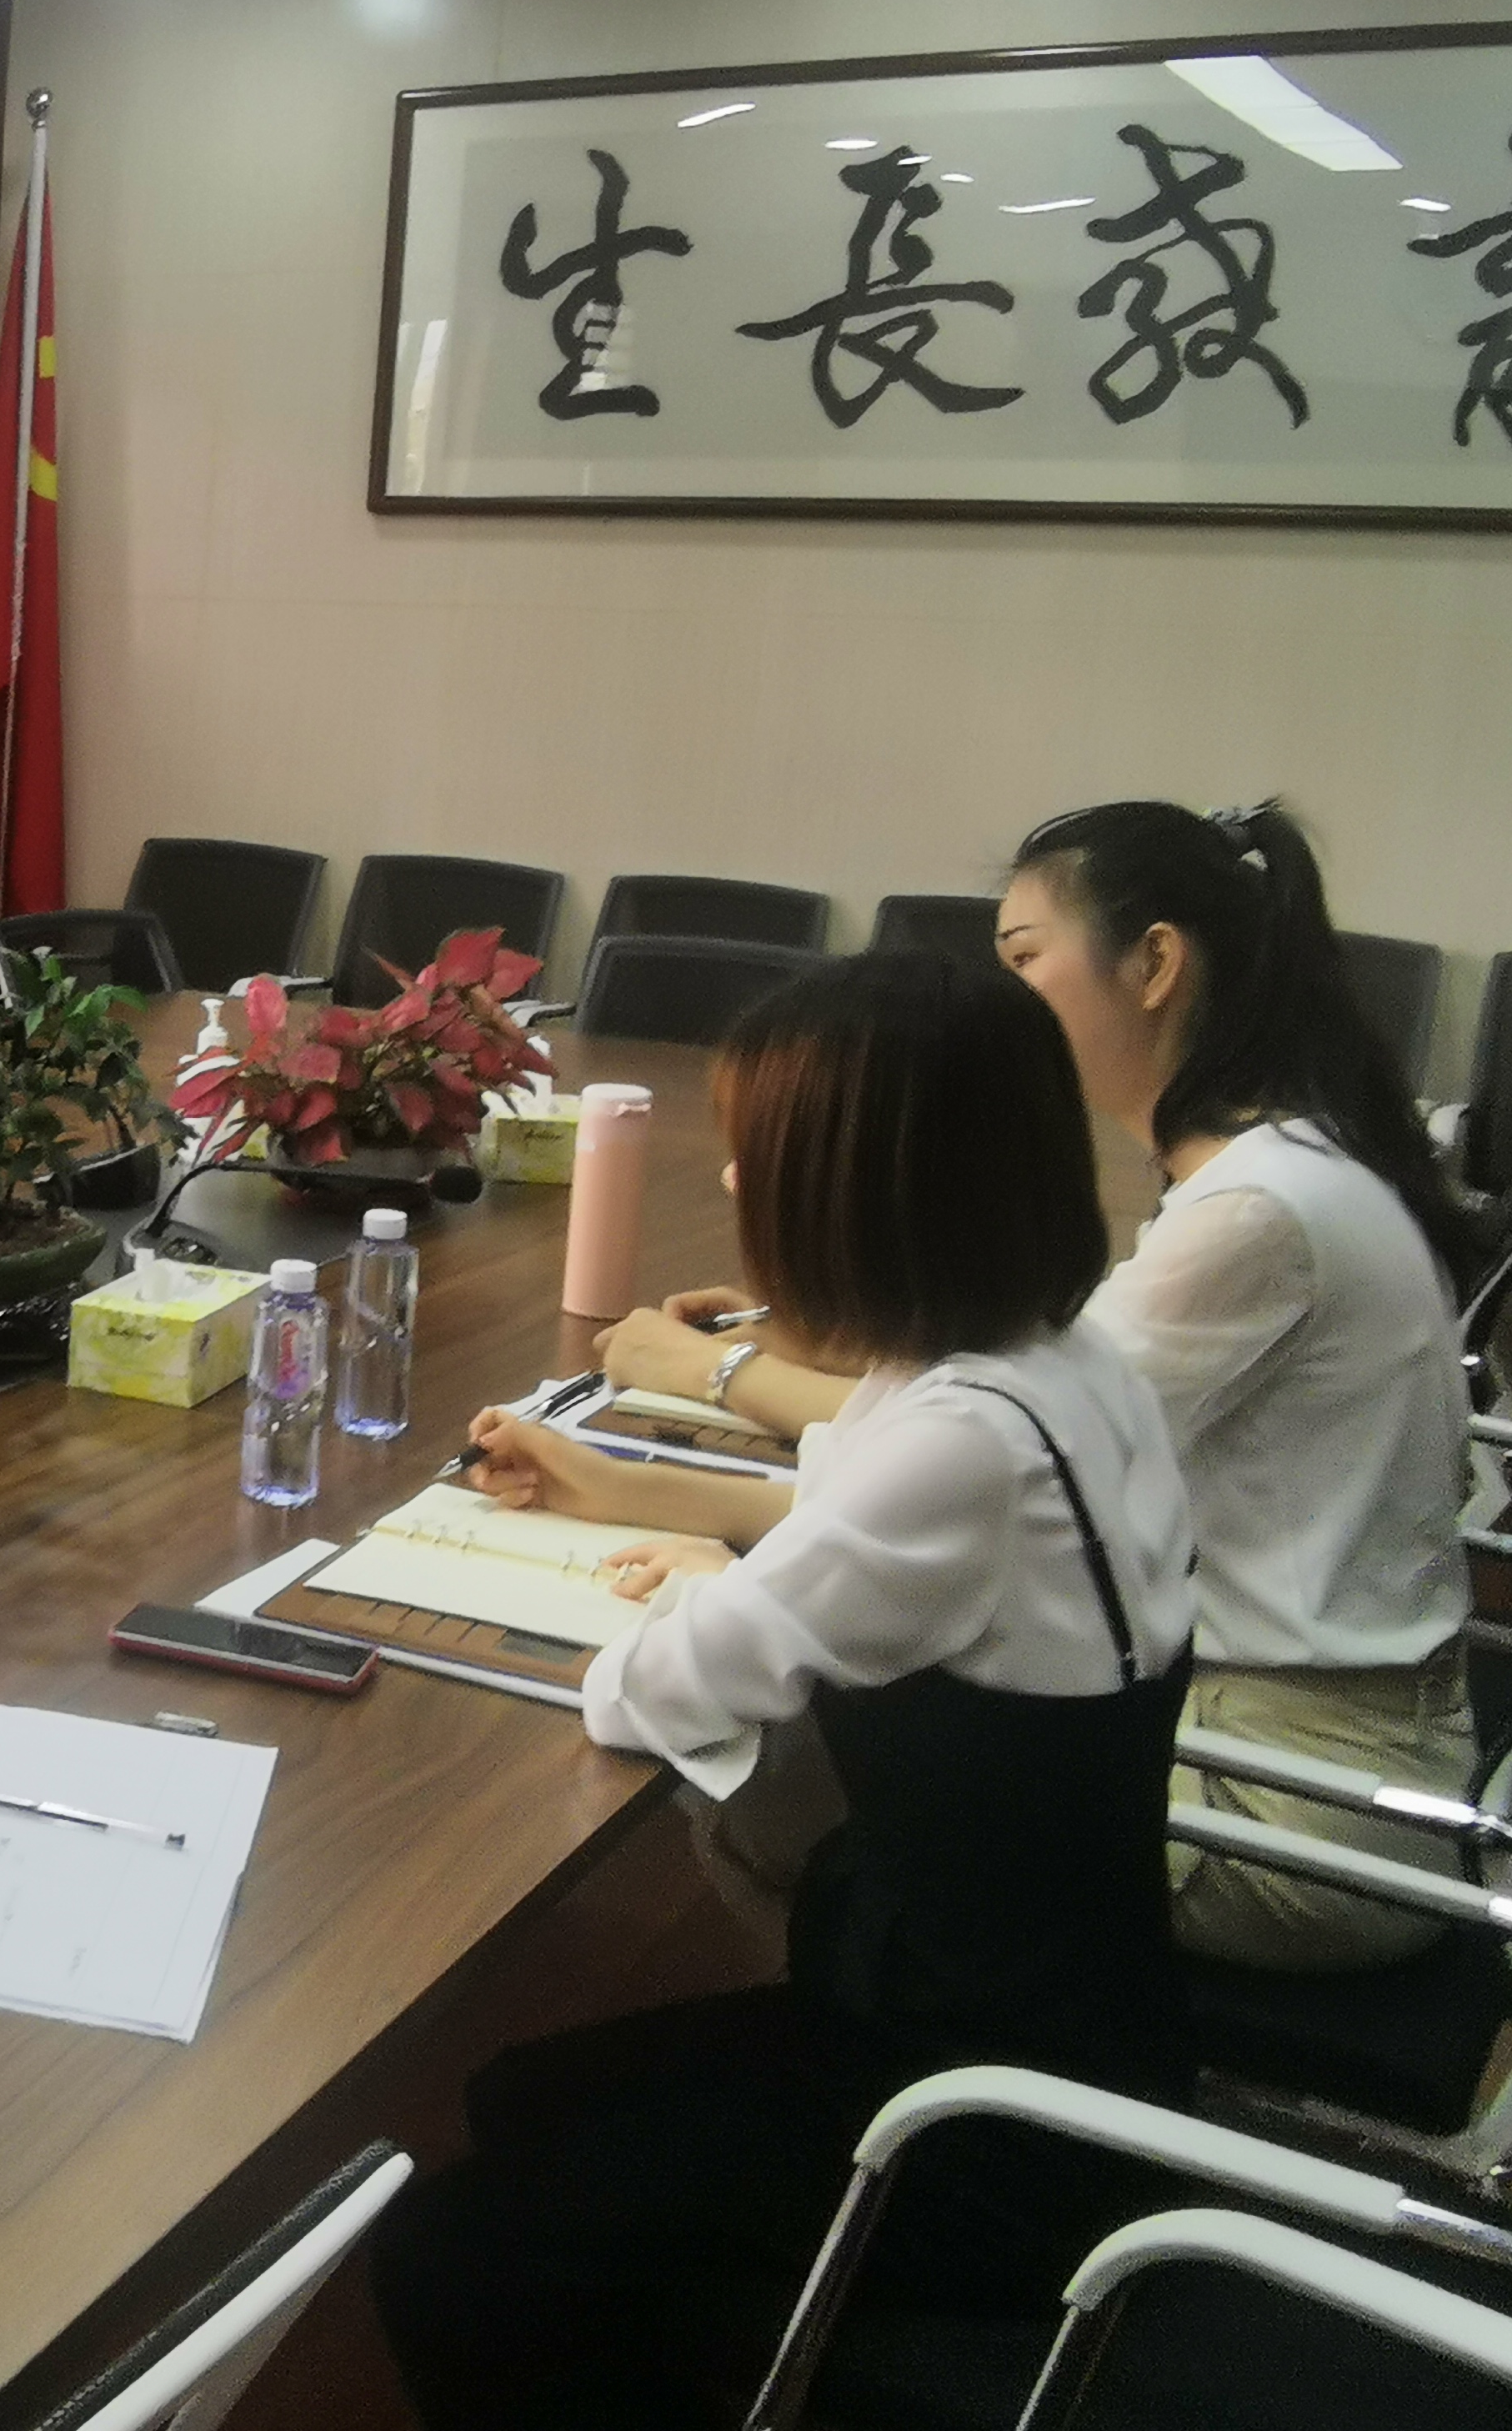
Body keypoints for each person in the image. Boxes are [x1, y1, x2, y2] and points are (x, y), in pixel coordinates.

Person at [373, 955, 1196, 2431]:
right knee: (515, 2100)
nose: (737, 1177)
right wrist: (632, 1492)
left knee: (451, 2249)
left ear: (865, 1191)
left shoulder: (964, 1442)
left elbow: (646, 1691)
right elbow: (846, 1503)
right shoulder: (1048, 1364)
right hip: (1086, 2032)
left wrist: (694, 1590)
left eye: (765, 1152)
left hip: (984, 2123)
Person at [586, 801, 1484, 1968]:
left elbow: (971, 1460)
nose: (1005, 1001)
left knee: (787, 1787)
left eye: (1023, 960)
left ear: (1154, 964)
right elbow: (964, 1435)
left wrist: (717, 1376)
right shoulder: (1272, 1165)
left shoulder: (1251, 1215)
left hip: (1290, 1797)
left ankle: (902, 2067)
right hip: (1297, 1721)